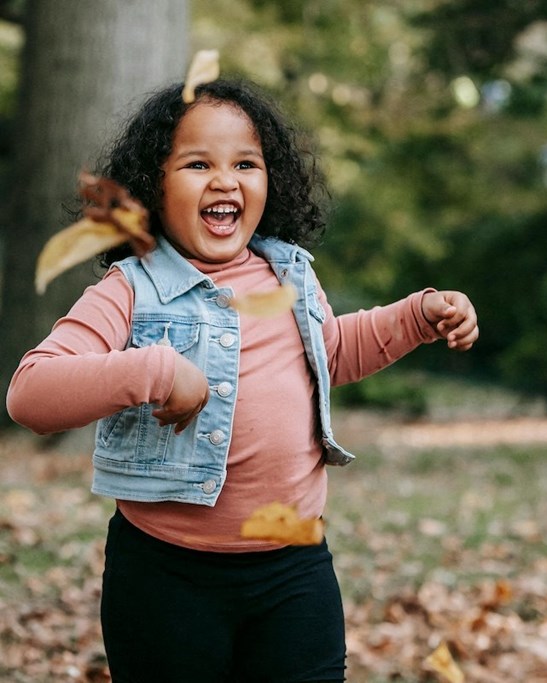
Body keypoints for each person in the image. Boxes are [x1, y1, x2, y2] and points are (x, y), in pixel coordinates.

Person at [6, 78, 479, 682]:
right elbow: (31, 392)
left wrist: (417, 316)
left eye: (246, 164)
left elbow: (328, 354)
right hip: (167, 578)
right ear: (153, 184)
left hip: (294, 572)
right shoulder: (129, 290)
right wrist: (157, 368)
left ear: (269, 180)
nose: (225, 180)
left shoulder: (289, 276)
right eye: (198, 163)